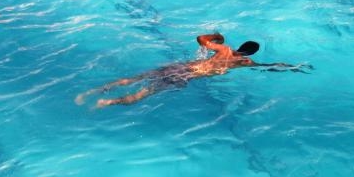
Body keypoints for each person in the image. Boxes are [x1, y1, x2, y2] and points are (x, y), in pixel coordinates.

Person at [75, 33, 310, 107]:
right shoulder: (245, 63)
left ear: (240, 46)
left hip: (182, 67)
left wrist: (216, 36)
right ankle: (106, 103)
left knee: (136, 78)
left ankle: (93, 92)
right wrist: (293, 68)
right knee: (141, 95)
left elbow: (201, 39)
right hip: (188, 76)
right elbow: (270, 68)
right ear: (251, 53)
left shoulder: (226, 49)